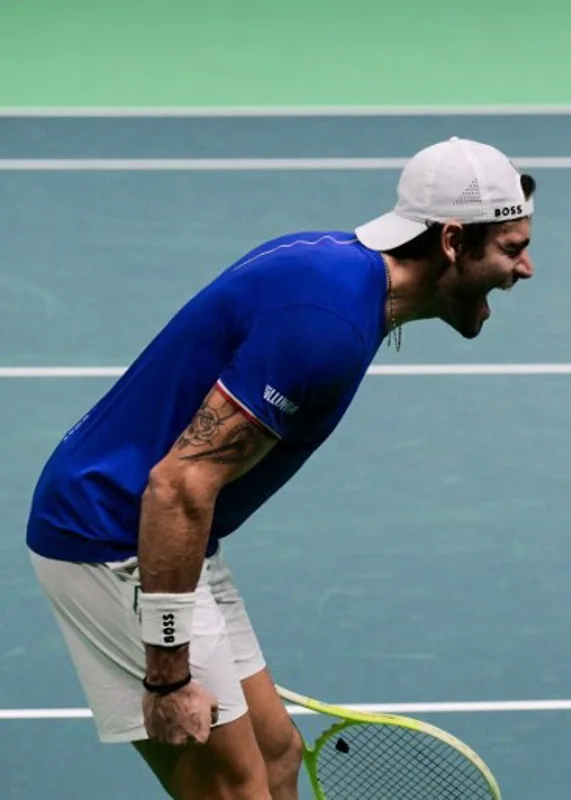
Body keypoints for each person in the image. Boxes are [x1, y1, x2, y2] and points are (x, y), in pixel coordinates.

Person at [24, 136, 537, 800]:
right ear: (450, 242)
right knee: (236, 789)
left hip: (176, 534)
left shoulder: (339, 273)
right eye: (512, 248)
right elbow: (177, 484)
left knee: (273, 758)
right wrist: (169, 676)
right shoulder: (326, 329)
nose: (524, 269)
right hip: (114, 536)